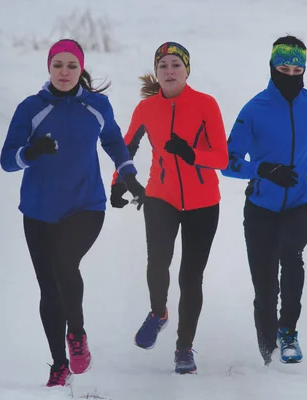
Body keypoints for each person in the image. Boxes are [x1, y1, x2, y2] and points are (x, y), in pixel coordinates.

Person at [0, 38, 146, 387]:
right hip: (38, 211)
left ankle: (77, 335)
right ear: (49, 68)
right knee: (49, 290)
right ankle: (58, 365)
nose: (64, 72)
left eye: (72, 66)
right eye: (58, 65)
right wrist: (30, 152)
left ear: (81, 69)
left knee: (64, 264)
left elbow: (112, 140)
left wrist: (129, 176)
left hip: (86, 205)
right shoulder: (31, 108)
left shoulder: (96, 105)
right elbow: (7, 160)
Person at [221, 35, 307, 365]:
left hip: (300, 204)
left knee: (290, 254)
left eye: (297, 69)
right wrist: (261, 169)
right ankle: (267, 355)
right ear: (272, 67)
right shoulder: (254, 109)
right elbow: (228, 161)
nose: (290, 74)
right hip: (261, 209)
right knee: (265, 290)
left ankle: (288, 332)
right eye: (283, 67)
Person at [110, 41, 229, 374]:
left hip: (203, 202)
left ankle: (184, 348)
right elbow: (126, 147)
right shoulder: (147, 108)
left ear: (187, 70)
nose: (169, 70)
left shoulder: (206, 104)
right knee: (158, 261)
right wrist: (117, 182)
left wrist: (193, 155)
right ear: (157, 73)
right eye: (163, 65)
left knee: (190, 277)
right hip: (160, 195)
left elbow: (222, 157)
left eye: (176, 64)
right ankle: (158, 312)